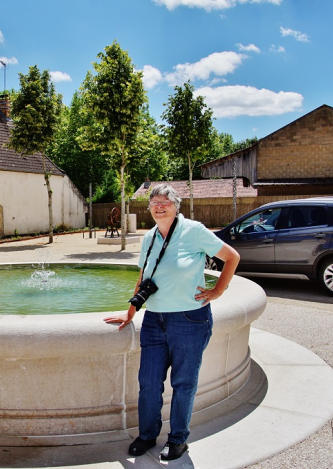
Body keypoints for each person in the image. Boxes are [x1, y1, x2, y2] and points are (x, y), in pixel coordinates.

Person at [104, 184, 240, 461]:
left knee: (183, 382)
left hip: (190, 318)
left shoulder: (194, 231)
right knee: (149, 382)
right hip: (154, 319)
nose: (159, 205)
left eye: (165, 201)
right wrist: (131, 311)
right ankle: (147, 435)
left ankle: (178, 439)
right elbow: (143, 277)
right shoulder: (149, 237)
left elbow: (231, 257)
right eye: (154, 201)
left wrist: (217, 291)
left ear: (176, 205)